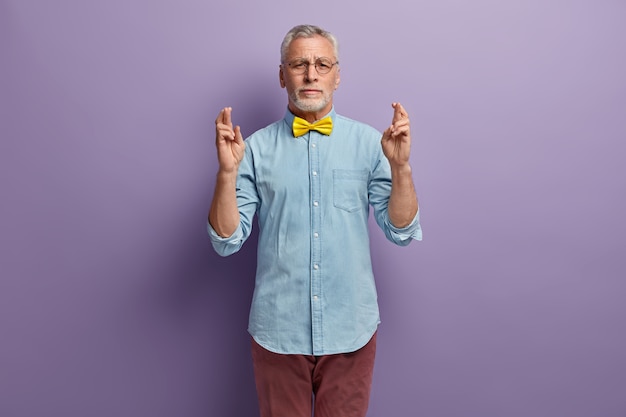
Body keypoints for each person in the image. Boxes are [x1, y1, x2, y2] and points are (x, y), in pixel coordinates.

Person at [208, 24, 422, 417]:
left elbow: (402, 231)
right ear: (281, 75)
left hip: (350, 331)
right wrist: (226, 174)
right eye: (299, 64)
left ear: (337, 75)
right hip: (278, 332)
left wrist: (401, 168)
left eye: (322, 64)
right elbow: (227, 239)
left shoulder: (371, 144)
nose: (310, 74)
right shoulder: (251, 149)